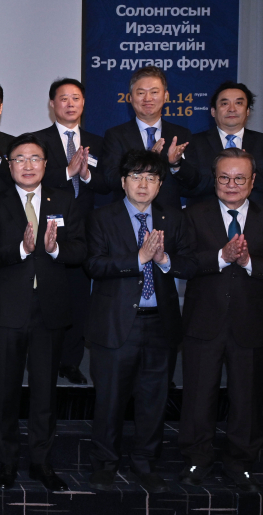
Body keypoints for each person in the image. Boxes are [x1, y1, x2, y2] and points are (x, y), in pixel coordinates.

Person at [178, 148, 263, 493]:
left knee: (246, 397)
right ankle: (196, 457)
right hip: (203, 321)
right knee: (199, 395)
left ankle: (240, 461)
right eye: (224, 178)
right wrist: (220, 256)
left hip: (251, 323)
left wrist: (246, 262)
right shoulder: (193, 215)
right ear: (214, 179)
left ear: (253, 181)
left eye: (239, 178)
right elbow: (181, 263)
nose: (231, 185)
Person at [84, 149, 196, 494]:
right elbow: (94, 265)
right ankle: (106, 463)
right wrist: (138, 258)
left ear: (161, 185)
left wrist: (163, 260)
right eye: (136, 176)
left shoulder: (173, 219)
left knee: (153, 400)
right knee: (110, 400)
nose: (143, 184)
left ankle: (146, 463)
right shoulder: (103, 217)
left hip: (160, 324)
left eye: (151, 177)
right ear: (122, 182)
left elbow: (190, 264)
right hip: (116, 324)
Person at [0, 134, 84, 491]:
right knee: (6, 393)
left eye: (35, 159)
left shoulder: (64, 200)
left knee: (45, 393)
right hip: (8, 310)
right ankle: (7, 462)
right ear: (9, 165)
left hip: (50, 311)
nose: (27, 165)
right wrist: (22, 250)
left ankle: (42, 463)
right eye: (20, 159)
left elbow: (81, 250)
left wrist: (55, 249)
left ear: (46, 165)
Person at [32, 78, 112, 385]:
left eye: (75, 98)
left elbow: (107, 184)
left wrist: (87, 173)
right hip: (48, 226)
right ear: (52, 104)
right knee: (46, 295)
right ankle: (43, 357)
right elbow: (31, 177)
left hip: (85, 229)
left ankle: (70, 361)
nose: (69, 104)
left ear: (83, 104)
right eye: (63, 98)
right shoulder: (39, 141)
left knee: (79, 298)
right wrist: (67, 171)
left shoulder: (98, 141)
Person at [101, 66, 200, 212]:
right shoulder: (116, 135)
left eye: (154, 92)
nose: (147, 99)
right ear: (130, 97)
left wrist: (176, 164)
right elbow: (111, 180)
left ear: (166, 96)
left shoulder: (180, 134)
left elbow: (194, 181)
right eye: (141, 93)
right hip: (127, 218)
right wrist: (147, 162)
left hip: (170, 217)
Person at [183, 82, 263, 207]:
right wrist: (224, 178)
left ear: (247, 111)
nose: (232, 109)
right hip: (205, 220)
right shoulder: (193, 142)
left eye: (239, 103)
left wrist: (248, 174)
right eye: (225, 103)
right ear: (213, 111)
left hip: (256, 220)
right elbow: (186, 186)